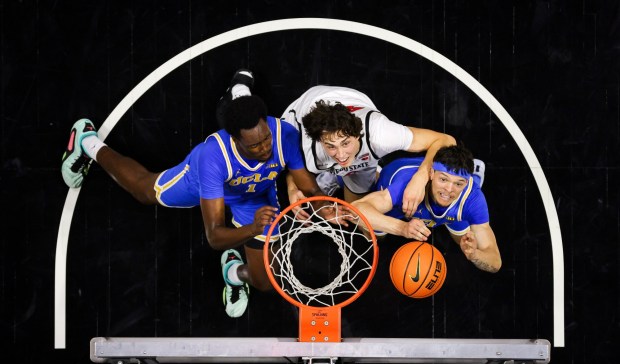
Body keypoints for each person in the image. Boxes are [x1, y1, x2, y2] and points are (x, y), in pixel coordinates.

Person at [61, 93, 328, 318]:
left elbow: (308, 186)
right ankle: (88, 143)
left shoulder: (285, 134)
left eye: (266, 138)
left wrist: (326, 208)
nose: (265, 148)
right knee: (144, 190)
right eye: (255, 145)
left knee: (266, 282)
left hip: (254, 197)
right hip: (207, 186)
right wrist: (252, 228)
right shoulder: (212, 157)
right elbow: (214, 236)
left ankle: (233, 272)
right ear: (235, 140)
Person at [219, 71, 457, 216]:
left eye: (345, 143)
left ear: (358, 135)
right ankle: (240, 90)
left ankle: (333, 175)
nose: (341, 154)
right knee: (252, 131)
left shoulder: (381, 134)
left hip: (351, 107)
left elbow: (445, 140)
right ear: (320, 140)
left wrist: (420, 178)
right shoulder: (303, 142)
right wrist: (293, 189)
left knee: (355, 211)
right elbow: (293, 166)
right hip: (304, 109)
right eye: (330, 146)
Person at [351, 144, 501, 273]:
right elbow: (355, 210)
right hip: (399, 201)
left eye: (459, 183)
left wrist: (475, 255)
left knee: (464, 242)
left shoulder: (473, 198)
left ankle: (475, 178)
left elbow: (495, 261)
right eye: (443, 179)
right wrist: (402, 227)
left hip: (449, 209)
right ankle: (375, 171)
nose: (449, 189)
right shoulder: (405, 186)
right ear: (431, 173)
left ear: (466, 183)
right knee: (374, 235)